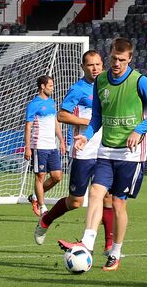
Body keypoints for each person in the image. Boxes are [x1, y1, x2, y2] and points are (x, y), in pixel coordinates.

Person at [59, 37, 147, 272]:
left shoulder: (140, 82)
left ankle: (115, 252)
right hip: (106, 150)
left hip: (131, 154)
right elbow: (97, 116)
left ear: (129, 59)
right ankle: (87, 242)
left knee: (118, 203)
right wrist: (86, 136)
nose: (116, 63)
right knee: (95, 192)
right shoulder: (101, 82)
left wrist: (139, 130)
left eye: (121, 59)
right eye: (113, 59)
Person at [35, 50, 115, 249]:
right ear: (83, 67)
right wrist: (88, 122)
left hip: (106, 149)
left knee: (107, 197)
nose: (95, 68)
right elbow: (61, 115)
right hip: (84, 150)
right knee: (76, 202)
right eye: (90, 65)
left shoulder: (109, 85)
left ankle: (109, 247)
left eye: (97, 64)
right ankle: (46, 219)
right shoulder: (78, 89)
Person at [23, 75, 64, 216]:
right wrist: (27, 147)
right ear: (42, 86)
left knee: (57, 177)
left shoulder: (52, 102)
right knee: (40, 176)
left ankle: (34, 196)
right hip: (38, 145)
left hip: (52, 146)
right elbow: (28, 126)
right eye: (50, 85)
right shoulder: (34, 104)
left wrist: (62, 140)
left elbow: (55, 123)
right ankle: (42, 207)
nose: (52, 88)